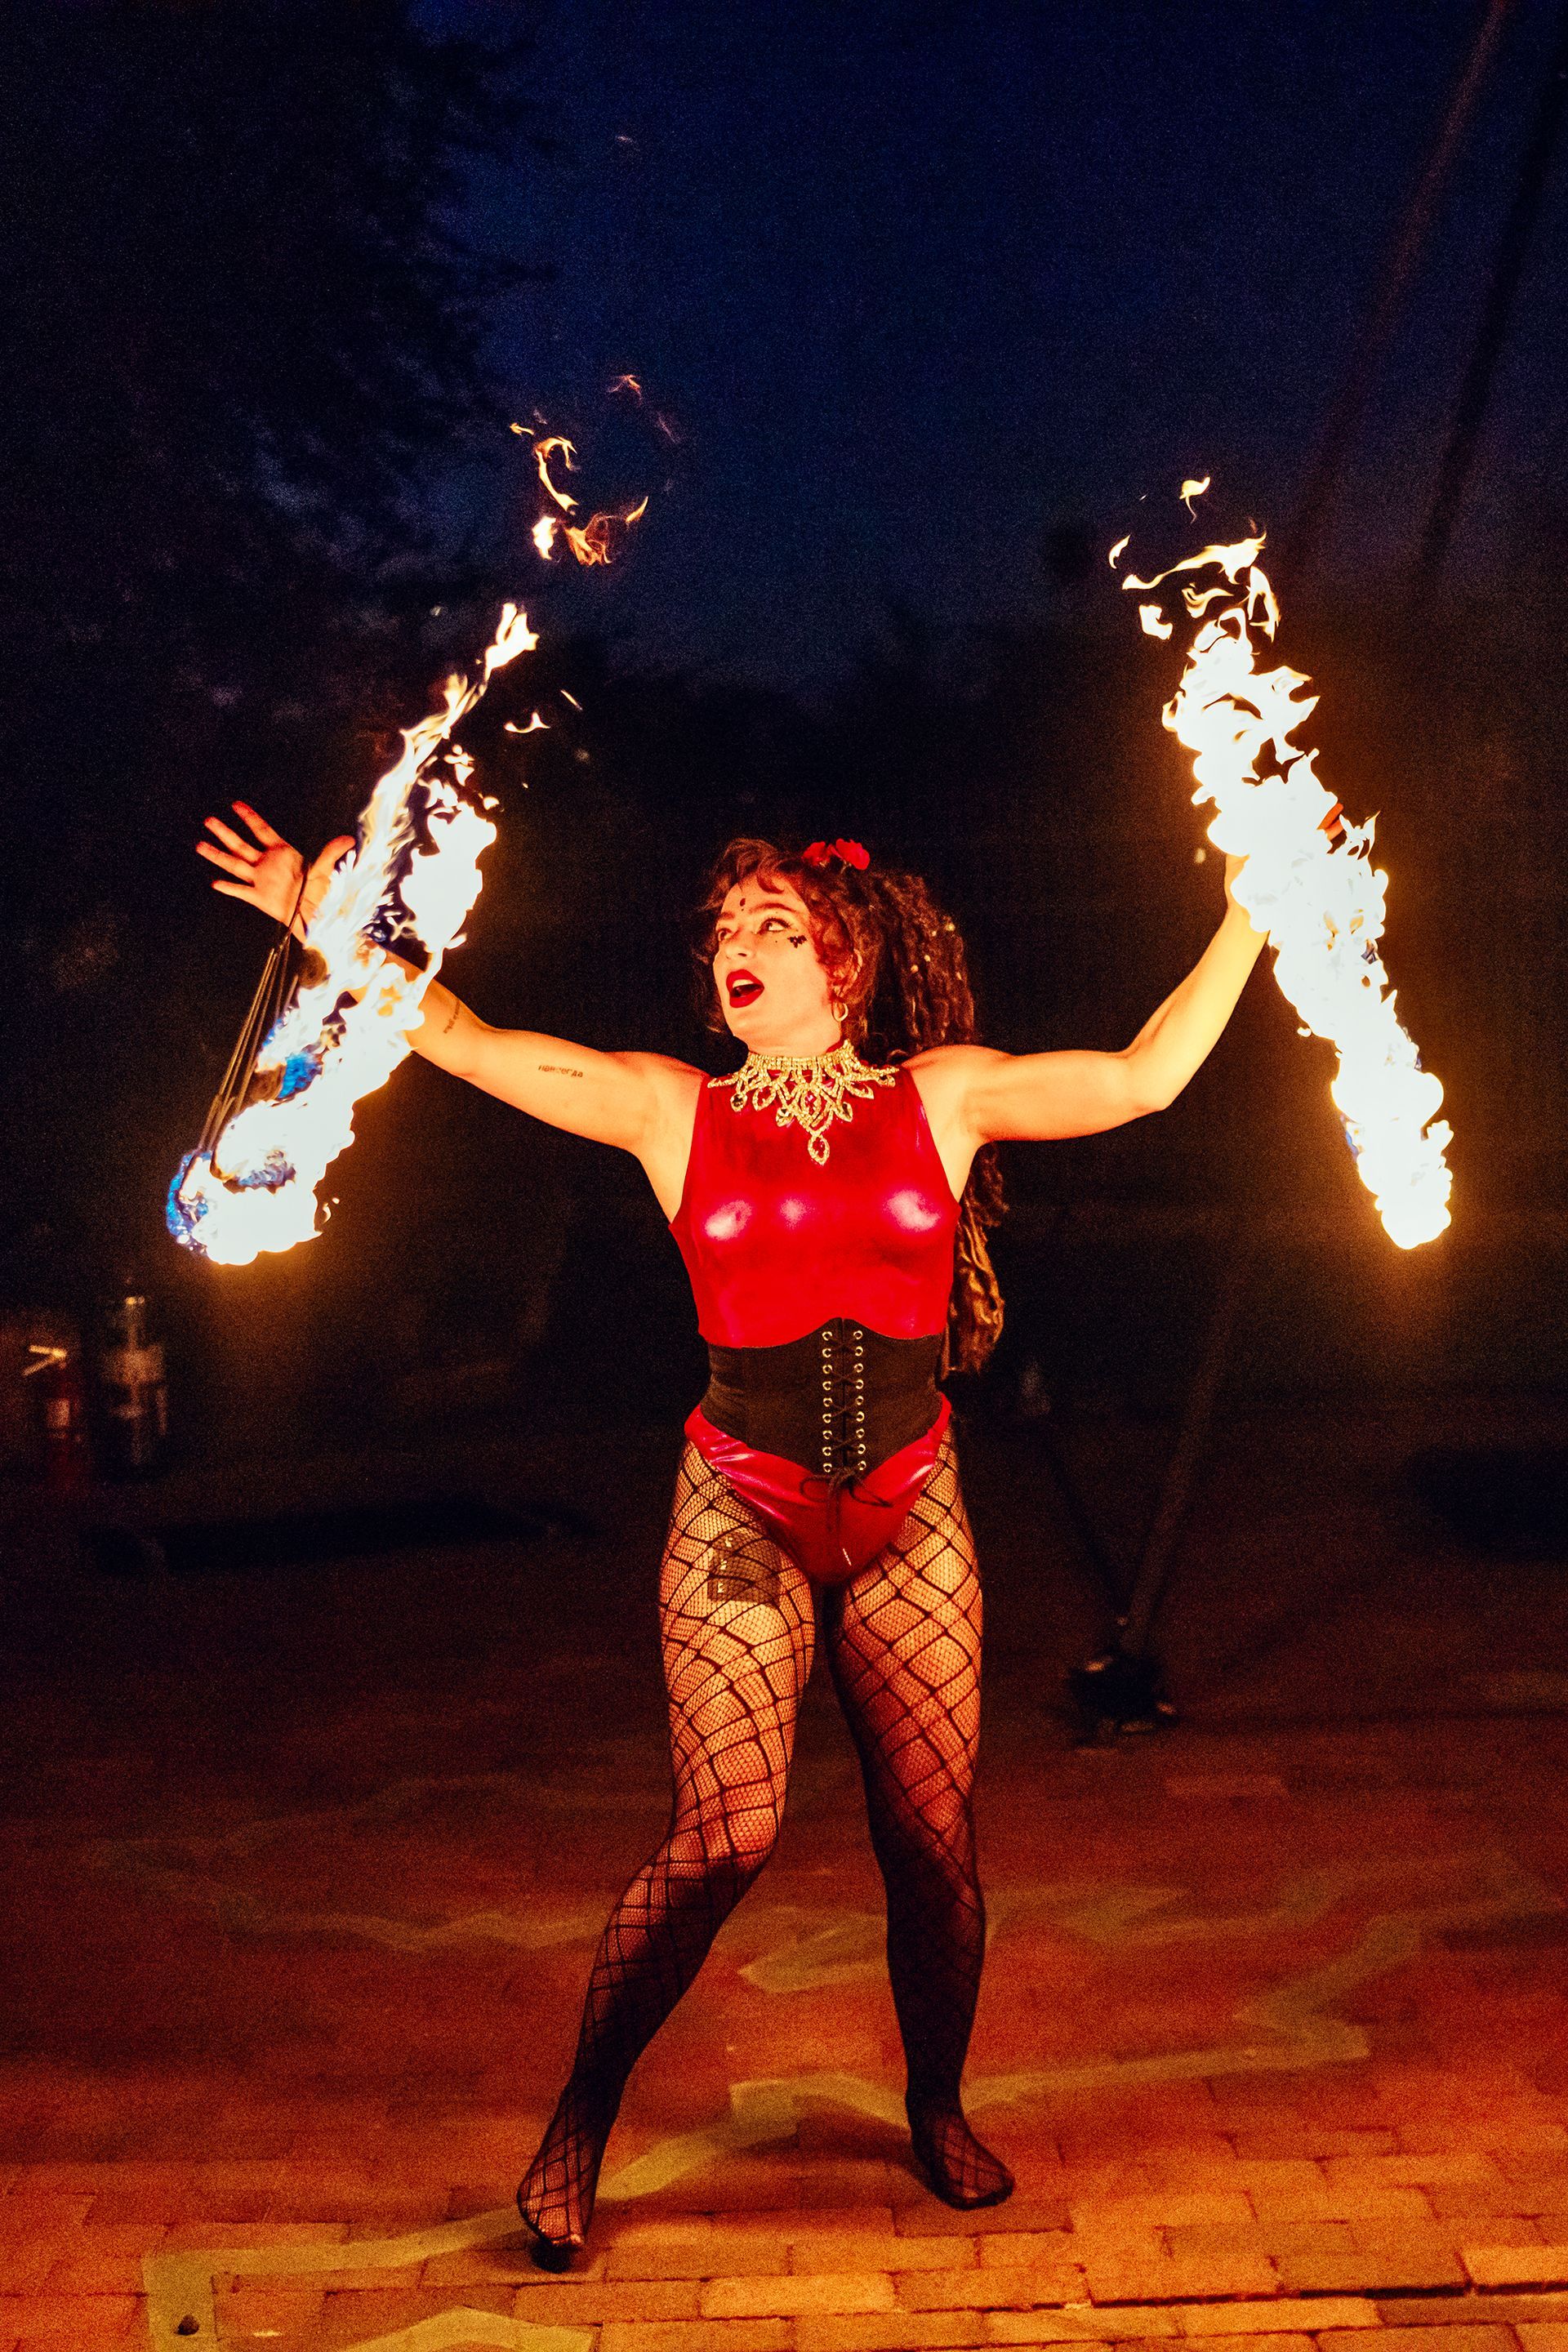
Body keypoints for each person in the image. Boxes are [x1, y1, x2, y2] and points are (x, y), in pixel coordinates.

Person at [197, 805, 1267, 2260]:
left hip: (911, 1507)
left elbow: (1145, 1079)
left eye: (774, 927)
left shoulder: (943, 1097)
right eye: (723, 932)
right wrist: (322, 923)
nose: (738, 950)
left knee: (935, 1847)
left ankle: (938, 2104)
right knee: (728, 1834)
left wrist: (1254, 913)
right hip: (741, 1502)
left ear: (849, 957)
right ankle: (577, 2126)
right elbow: (454, 1034)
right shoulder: (668, 1108)